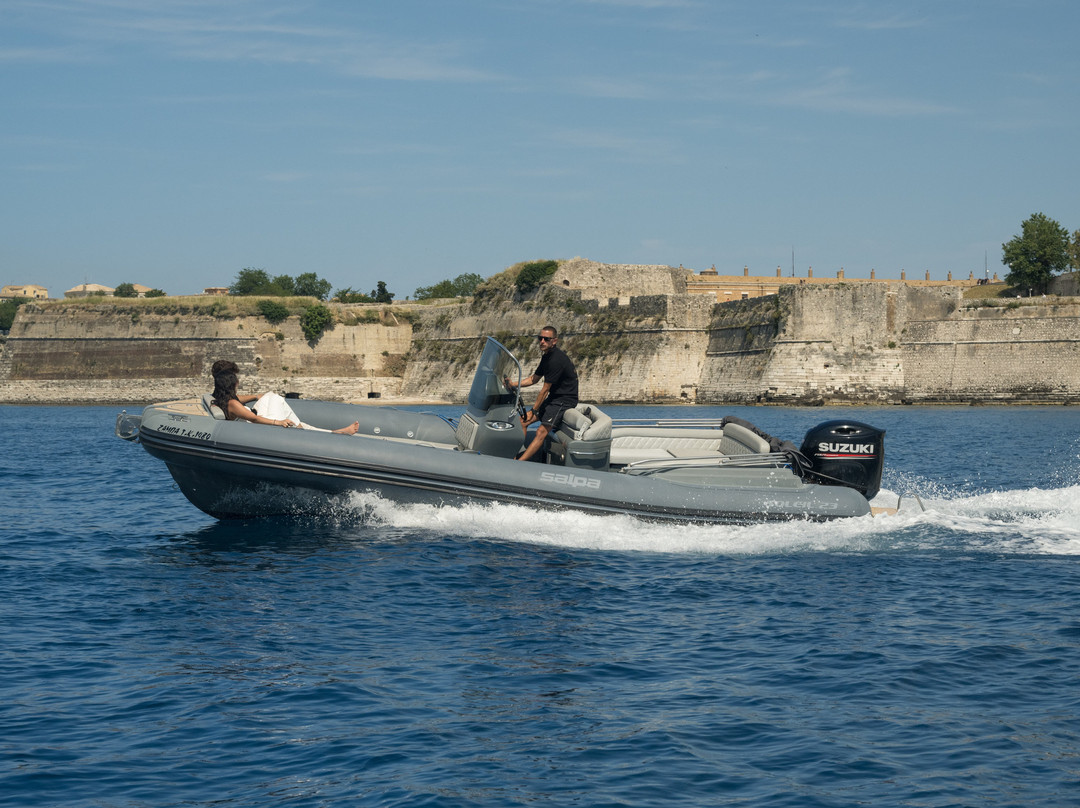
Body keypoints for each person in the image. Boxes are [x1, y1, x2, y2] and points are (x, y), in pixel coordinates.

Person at [210, 360, 359, 434]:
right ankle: (333, 433)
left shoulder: (224, 399)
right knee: (276, 400)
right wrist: (278, 422)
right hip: (256, 430)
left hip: (252, 425)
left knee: (270, 396)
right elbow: (253, 419)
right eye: (236, 380)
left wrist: (256, 396)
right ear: (230, 383)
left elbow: (237, 400)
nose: (238, 381)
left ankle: (332, 433)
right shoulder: (232, 404)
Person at [505, 326, 578, 461]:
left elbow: (544, 390)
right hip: (554, 398)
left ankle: (518, 464)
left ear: (554, 341)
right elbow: (534, 379)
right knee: (523, 421)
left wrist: (534, 410)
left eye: (546, 339)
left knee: (541, 431)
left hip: (564, 400)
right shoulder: (546, 357)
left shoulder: (556, 360)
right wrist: (513, 384)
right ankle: (513, 457)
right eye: (540, 338)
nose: (542, 341)